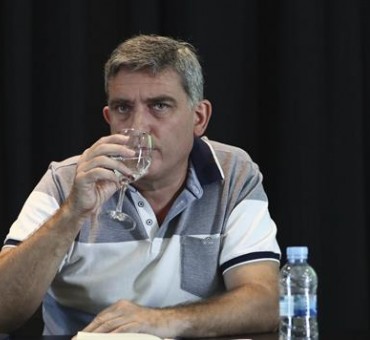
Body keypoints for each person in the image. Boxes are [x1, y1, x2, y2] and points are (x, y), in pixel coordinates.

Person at [0, 35, 281, 337]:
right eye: (123, 108)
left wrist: (160, 322)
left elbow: (266, 303)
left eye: (159, 105)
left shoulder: (233, 174)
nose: (138, 126)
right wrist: (71, 214)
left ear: (199, 118)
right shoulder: (67, 181)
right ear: (108, 118)